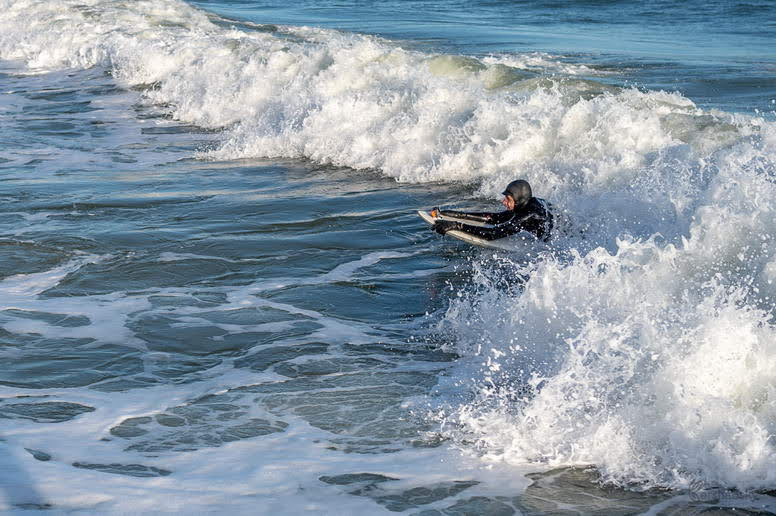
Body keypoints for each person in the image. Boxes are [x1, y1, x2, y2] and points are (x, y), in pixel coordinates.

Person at [431, 179, 553, 241]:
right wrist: (446, 214)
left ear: (518, 199)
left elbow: (493, 234)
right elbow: (494, 218)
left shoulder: (529, 214)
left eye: (508, 199)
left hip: (557, 242)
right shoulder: (526, 203)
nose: (503, 202)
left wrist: (457, 226)